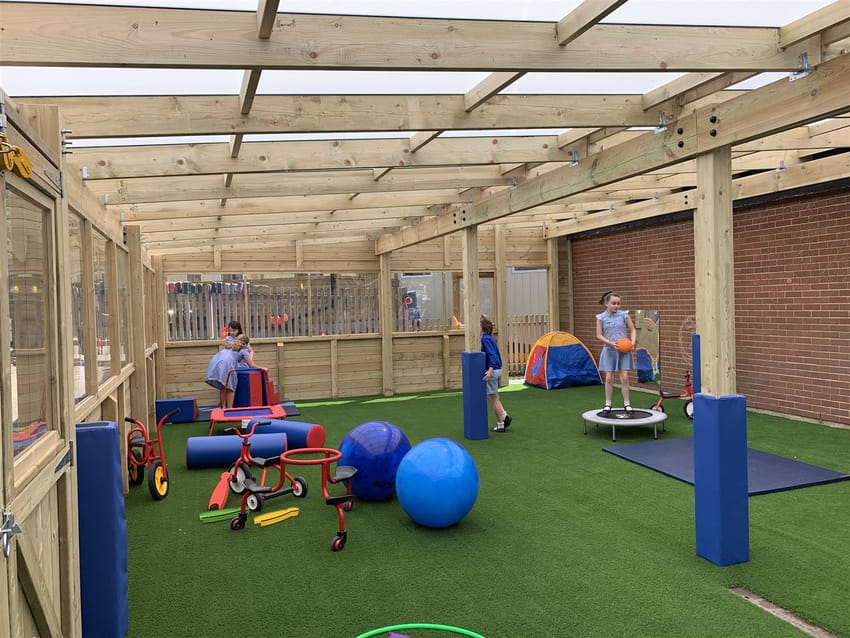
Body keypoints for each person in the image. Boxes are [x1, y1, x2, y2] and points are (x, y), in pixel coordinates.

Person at [595, 291, 637, 415]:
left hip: (623, 350)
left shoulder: (624, 315)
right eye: (613, 303)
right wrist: (610, 342)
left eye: (618, 303)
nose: (616, 306)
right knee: (609, 378)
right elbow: (598, 335)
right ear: (606, 303)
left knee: (624, 377)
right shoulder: (600, 318)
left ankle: (627, 404)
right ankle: (608, 404)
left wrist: (632, 342)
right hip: (609, 350)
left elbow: (633, 329)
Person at [205, 334, 265, 408]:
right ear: (246, 344)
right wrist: (263, 368)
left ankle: (223, 408)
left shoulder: (229, 346)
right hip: (227, 364)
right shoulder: (244, 350)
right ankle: (230, 409)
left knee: (224, 386)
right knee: (231, 389)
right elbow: (251, 365)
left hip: (216, 361)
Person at [480, 315, 512, 433]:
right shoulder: (490, 338)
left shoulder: (485, 339)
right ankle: (500, 425)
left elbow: (492, 355)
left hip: (494, 370)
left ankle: (504, 417)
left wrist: (490, 370)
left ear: (482, 327)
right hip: (498, 369)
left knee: (493, 398)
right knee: (494, 396)